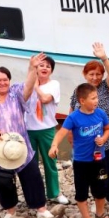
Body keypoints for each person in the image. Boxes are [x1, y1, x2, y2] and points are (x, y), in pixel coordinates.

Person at [0, 54, 55, 218]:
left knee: (32, 176)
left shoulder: (15, 94)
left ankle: (40, 207)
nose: (2, 83)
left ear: (9, 81)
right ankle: (10, 210)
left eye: (5, 80)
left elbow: (29, 87)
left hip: (21, 147)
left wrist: (32, 68)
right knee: (3, 181)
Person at [49, 83, 109, 218]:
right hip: (81, 162)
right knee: (82, 192)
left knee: (101, 189)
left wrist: (104, 139)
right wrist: (54, 145)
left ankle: (100, 213)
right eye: (93, 98)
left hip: (99, 160)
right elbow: (61, 132)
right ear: (82, 100)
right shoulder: (73, 117)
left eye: (96, 97)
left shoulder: (100, 114)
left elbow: (108, 129)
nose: (96, 101)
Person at [69, 43, 109, 214]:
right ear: (85, 74)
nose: (95, 77)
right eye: (91, 74)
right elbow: (71, 112)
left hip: (106, 139)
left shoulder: (107, 88)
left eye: (98, 74)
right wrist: (70, 133)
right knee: (91, 173)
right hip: (85, 142)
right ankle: (97, 199)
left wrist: (104, 58)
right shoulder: (79, 91)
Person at [24, 54, 68, 205]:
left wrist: (35, 86)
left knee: (50, 162)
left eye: (48, 66)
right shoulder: (27, 84)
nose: (44, 68)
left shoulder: (53, 84)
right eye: (41, 65)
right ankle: (34, 195)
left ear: (51, 71)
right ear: (35, 67)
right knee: (30, 165)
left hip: (47, 129)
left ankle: (54, 193)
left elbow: (45, 99)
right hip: (28, 130)